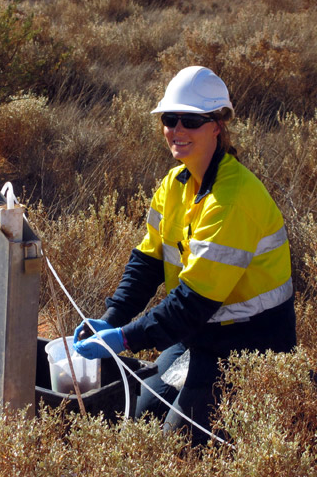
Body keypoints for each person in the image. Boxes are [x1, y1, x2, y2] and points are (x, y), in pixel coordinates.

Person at [73, 66, 296, 445]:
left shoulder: (233, 199)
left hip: (251, 348)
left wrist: (125, 339)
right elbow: (147, 262)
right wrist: (112, 317)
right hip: (199, 335)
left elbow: (193, 301)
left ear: (216, 127)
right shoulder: (173, 184)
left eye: (190, 120)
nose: (176, 130)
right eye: (168, 119)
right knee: (140, 417)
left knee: (173, 446)